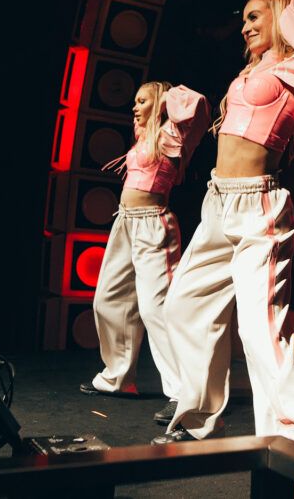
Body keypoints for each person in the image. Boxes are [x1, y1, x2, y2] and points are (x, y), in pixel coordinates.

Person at [153, 0, 294, 454]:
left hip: (258, 209)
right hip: (217, 203)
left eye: (256, 16)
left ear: (281, 15)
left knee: (260, 333)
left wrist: (290, 12)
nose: (246, 26)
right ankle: (198, 419)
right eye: (244, 19)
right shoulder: (253, 70)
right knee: (182, 307)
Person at [81, 81, 210, 426]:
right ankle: (117, 377)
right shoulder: (145, 136)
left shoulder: (171, 134)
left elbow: (198, 104)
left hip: (154, 225)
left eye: (142, 101)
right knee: (107, 299)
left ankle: (183, 392)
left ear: (160, 104)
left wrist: (165, 96)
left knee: (156, 309)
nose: (134, 107)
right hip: (124, 223)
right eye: (135, 101)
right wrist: (150, 109)